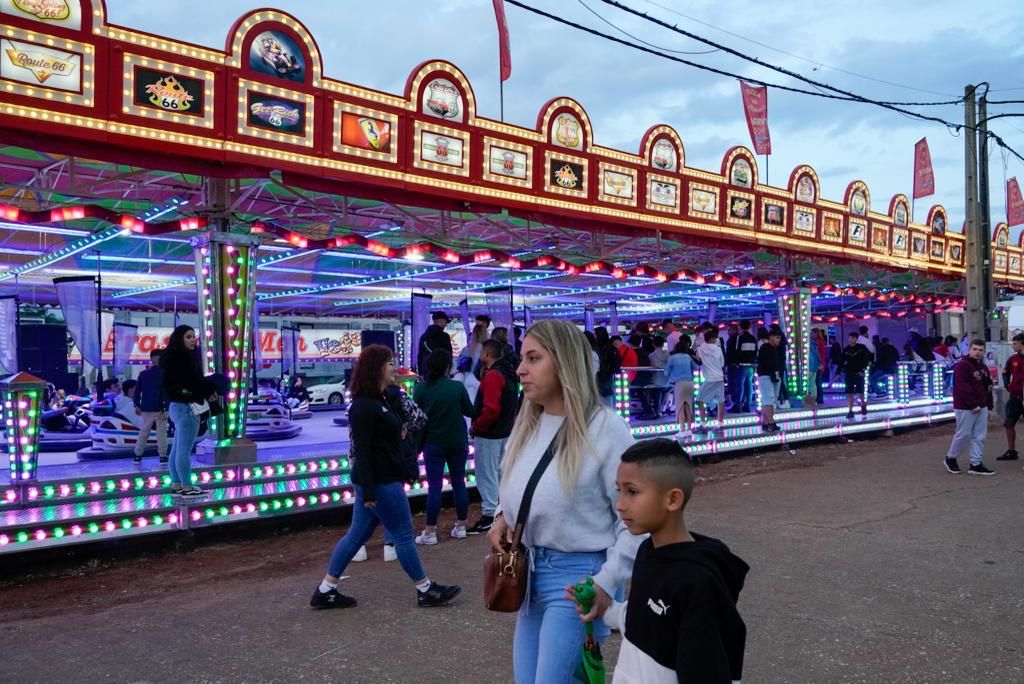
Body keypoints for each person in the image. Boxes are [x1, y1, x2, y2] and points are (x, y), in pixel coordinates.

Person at [487, 319, 640, 684]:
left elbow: (635, 522)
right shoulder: (527, 424)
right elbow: (516, 484)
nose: (520, 369)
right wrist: (500, 517)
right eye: (522, 358)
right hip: (529, 575)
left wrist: (607, 581)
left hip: (579, 579)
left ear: (565, 362)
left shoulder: (607, 429)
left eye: (534, 358)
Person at [311, 344, 461, 609]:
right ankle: (425, 588)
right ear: (377, 369)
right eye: (390, 363)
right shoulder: (364, 407)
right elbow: (364, 452)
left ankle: (326, 589)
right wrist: (369, 490)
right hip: (380, 480)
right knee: (403, 533)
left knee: (357, 534)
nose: (395, 367)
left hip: (379, 478)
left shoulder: (380, 400)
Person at [596, 439, 748, 683]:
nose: (620, 505)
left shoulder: (698, 582)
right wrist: (607, 611)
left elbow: (708, 669)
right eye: (619, 491)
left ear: (672, 500)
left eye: (632, 492)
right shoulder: (647, 551)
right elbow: (646, 616)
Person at [412, 349, 474, 544]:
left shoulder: (421, 388)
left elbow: (416, 417)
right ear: (448, 367)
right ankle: (461, 525)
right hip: (457, 441)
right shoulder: (456, 387)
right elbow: (470, 411)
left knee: (435, 487)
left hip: (433, 442)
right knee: (459, 482)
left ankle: (430, 531)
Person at [467, 339, 520, 534]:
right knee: (500, 475)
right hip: (505, 431)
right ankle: (501, 511)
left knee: (487, 475)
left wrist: (476, 426)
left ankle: (490, 514)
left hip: (489, 434)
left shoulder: (493, 376)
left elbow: (490, 409)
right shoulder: (510, 374)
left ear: (487, 354)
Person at [160, 325, 216, 497]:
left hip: (176, 407)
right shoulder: (184, 360)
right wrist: (207, 391)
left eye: (193, 336)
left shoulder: (169, 359)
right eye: (188, 337)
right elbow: (192, 385)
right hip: (188, 407)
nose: (193, 340)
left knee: (176, 449)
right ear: (180, 339)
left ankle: (177, 484)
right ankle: (187, 487)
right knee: (184, 450)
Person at [945, 339, 995, 476]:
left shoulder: (983, 368)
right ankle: (951, 458)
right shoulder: (962, 366)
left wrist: (989, 406)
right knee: (963, 434)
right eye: (975, 349)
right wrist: (973, 404)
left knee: (980, 436)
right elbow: (962, 388)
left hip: (982, 406)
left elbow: (988, 387)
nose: (978, 352)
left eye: (980, 350)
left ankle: (976, 463)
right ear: (969, 349)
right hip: (965, 407)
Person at [133, 349, 168, 465]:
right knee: (161, 433)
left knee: (144, 432)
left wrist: (136, 404)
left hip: (146, 407)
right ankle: (162, 456)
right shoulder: (166, 373)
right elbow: (166, 393)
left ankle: (138, 455)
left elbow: (137, 391)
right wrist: (166, 407)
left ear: (151, 359)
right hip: (160, 408)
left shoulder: (143, 374)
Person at [664, 335, 699, 442]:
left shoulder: (672, 358)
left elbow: (666, 372)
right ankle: (689, 429)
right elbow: (696, 367)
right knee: (688, 405)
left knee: (679, 407)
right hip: (690, 383)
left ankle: (682, 430)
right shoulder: (688, 357)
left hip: (679, 384)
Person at [998, 333, 1024, 462]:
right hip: (1015, 397)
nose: (1013, 346)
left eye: (1015, 343)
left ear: (1022, 343)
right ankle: (1011, 451)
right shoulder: (1013, 359)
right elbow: (1005, 372)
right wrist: (1008, 386)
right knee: (1009, 423)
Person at [696, 327, 726, 430]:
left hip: (709, 378)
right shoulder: (718, 349)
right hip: (719, 377)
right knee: (720, 400)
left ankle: (703, 424)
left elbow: (698, 360)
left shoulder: (700, 349)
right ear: (713, 339)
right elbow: (722, 363)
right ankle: (720, 423)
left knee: (699, 399)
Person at [841, 331, 872, 420]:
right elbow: (842, 361)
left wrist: (862, 370)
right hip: (849, 373)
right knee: (849, 393)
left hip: (859, 373)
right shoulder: (846, 349)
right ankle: (850, 411)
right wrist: (839, 371)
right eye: (849, 338)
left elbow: (866, 360)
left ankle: (863, 405)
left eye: (852, 338)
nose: (850, 339)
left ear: (855, 338)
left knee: (860, 392)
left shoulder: (861, 348)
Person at [757, 330, 782, 432]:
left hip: (773, 376)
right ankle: (771, 422)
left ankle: (766, 422)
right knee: (768, 399)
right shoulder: (765, 348)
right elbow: (765, 362)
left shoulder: (774, 349)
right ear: (771, 337)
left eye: (779, 338)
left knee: (770, 400)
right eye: (777, 337)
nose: (778, 340)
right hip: (766, 376)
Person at [416, 311, 453, 376]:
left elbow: (420, 356)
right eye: (445, 322)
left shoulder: (424, 336)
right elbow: (448, 355)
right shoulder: (444, 336)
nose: (446, 324)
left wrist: (420, 372)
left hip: (426, 371)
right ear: (441, 321)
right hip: (441, 372)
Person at [732, 320, 758, 413]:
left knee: (740, 386)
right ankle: (748, 405)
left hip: (742, 365)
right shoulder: (753, 338)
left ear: (740, 327)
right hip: (751, 365)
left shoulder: (740, 337)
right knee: (749, 385)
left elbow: (737, 351)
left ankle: (738, 405)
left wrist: (736, 362)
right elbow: (755, 351)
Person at [648, 336, 670, 415]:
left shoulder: (651, 355)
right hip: (667, 378)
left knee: (657, 393)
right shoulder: (667, 354)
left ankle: (657, 411)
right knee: (667, 391)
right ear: (663, 344)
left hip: (656, 378)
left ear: (653, 344)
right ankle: (663, 408)